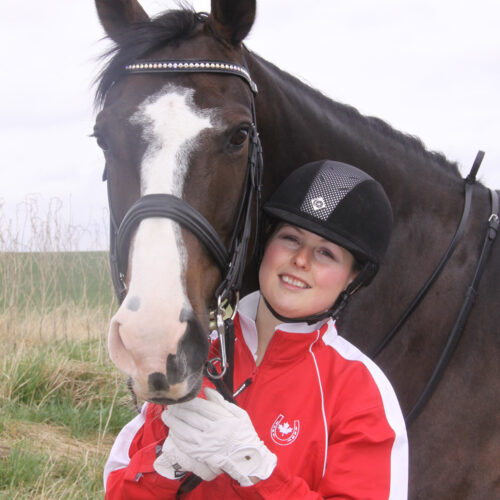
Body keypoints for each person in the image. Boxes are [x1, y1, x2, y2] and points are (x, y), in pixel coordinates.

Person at [104, 160, 408, 499]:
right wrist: (167, 464)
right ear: (266, 245)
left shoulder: (360, 391)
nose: (301, 260)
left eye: (326, 253)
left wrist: (256, 469)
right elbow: (118, 487)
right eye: (291, 238)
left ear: (352, 280)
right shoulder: (193, 350)